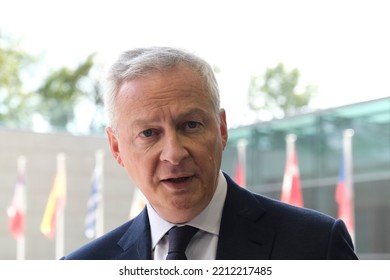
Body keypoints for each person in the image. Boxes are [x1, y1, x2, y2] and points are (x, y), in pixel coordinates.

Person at [61, 47, 358, 260]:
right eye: (149, 133)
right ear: (117, 148)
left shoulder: (317, 246)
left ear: (222, 129)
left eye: (191, 125)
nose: (174, 154)